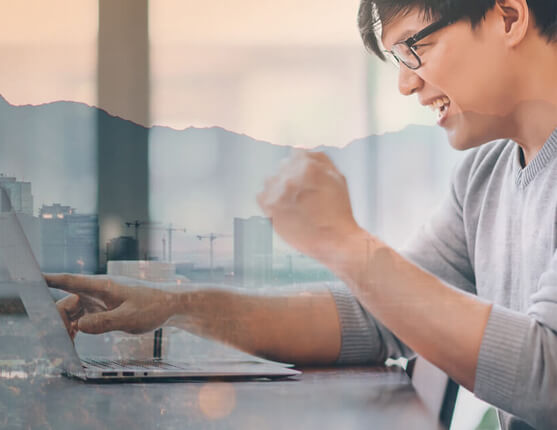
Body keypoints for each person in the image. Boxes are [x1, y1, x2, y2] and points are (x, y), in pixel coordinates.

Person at [49, 0, 557, 428]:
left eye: (412, 49)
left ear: (509, 17)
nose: (405, 84)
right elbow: (373, 316)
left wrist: (345, 244)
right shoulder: (483, 176)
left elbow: (547, 376)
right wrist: (171, 307)